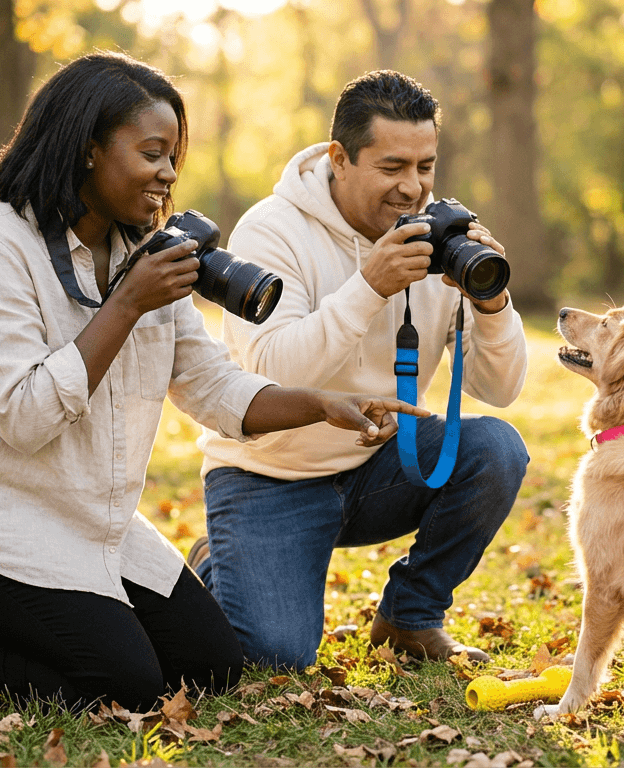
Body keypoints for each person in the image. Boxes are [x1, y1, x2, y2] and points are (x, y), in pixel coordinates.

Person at [0, 52, 427, 712]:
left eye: (174, 155)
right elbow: (26, 416)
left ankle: (13, 619)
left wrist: (321, 405)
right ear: (89, 147)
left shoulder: (142, 253)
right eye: (152, 152)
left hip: (82, 516)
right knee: (125, 686)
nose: (168, 174)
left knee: (210, 669)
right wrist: (126, 304)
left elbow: (211, 384)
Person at [191, 70, 530, 670]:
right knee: (272, 657)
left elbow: (499, 390)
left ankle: (410, 617)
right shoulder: (272, 231)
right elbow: (270, 369)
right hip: (270, 477)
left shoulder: (433, 238)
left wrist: (491, 304)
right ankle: (220, 560)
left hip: (382, 466)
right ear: (339, 158)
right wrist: (369, 285)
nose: (413, 188)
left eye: (425, 166)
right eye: (393, 167)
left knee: (496, 449)